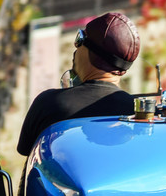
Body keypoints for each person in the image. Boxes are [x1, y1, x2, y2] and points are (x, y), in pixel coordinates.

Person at [17, 11, 140, 156]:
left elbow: (27, 154)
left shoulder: (48, 104)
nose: (75, 49)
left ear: (91, 51)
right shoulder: (140, 115)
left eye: (80, 39)